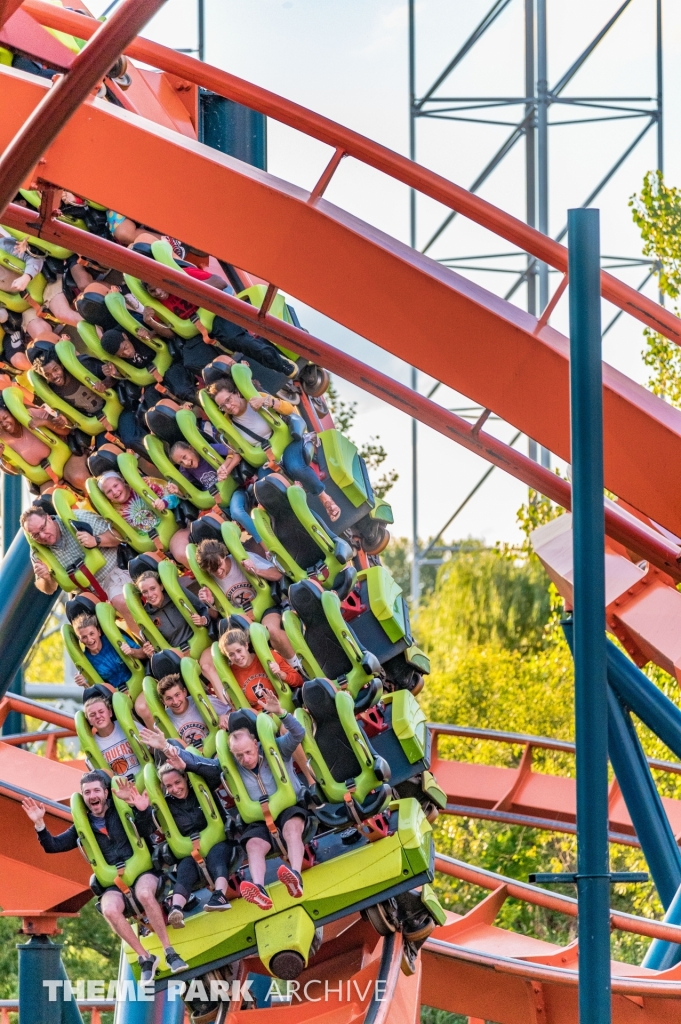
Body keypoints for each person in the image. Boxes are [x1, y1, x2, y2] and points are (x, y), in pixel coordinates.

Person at [21, 771, 188, 979]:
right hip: (113, 883)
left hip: (142, 872)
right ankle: (145, 957)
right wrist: (39, 824)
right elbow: (53, 846)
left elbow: (146, 831)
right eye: (87, 792)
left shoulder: (120, 811)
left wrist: (142, 810)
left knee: (145, 893)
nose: (92, 796)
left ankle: (169, 951)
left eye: (96, 791)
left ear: (106, 793)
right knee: (108, 909)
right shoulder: (83, 826)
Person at [168, 692, 308, 911]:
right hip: (258, 818)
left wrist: (281, 713)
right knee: (252, 845)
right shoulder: (232, 765)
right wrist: (170, 749)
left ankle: (295, 877)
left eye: (248, 753)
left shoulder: (276, 748)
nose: (246, 759)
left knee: (291, 829)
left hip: (288, 807)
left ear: (255, 743)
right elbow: (199, 763)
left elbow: (299, 733)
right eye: (239, 756)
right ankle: (259, 889)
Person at [207, 376, 340, 521]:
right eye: (222, 406)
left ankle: (324, 497)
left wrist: (267, 401)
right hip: (267, 460)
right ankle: (297, 519)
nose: (228, 406)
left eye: (228, 400)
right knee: (266, 488)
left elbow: (290, 409)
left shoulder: (256, 397)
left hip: (287, 445)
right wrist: (226, 467)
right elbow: (235, 452)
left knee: (295, 467)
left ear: (237, 393)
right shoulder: (227, 422)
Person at [20, 504, 138, 634]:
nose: (42, 536)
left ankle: (150, 645)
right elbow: (49, 589)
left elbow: (120, 534)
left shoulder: (77, 518)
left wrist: (96, 540)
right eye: (36, 535)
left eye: (43, 528)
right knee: (83, 630)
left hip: (115, 570)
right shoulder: (37, 552)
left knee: (120, 600)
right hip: (89, 592)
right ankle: (123, 650)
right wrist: (46, 578)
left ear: (49, 518)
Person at [156, 761, 234, 926]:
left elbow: (215, 772)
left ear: (185, 778)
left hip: (216, 841)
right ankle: (176, 909)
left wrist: (187, 763)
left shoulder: (202, 788)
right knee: (184, 870)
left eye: (177, 782)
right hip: (190, 849)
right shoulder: (168, 805)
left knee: (216, 858)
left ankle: (220, 895)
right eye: (169, 786)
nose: (175, 789)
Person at [194, 538, 294, 661]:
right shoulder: (209, 581)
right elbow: (215, 615)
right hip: (241, 622)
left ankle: (297, 665)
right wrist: (210, 603)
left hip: (266, 609)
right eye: (213, 570)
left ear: (224, 556)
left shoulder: (241, 559)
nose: (219, 572)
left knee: (272, 630)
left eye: (220, 565)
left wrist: (255, 571)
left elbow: (278, 574)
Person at [134, 570, 225, 698]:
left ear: (161, 586)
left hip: (201, 646)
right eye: (145, 592)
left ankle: (228, 707)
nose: (150, 594)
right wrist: (149, 652)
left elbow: (204, 610)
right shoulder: (146, 616)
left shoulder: (177, 596)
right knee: (188, 677)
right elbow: (154, 646)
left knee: (206, 667)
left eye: (153, 588)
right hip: (179, 658)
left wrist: (203, 620)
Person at [71, 613, 153, 728]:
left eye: (91, 634)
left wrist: (131, 652)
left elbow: (145, 654)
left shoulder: (113, 639)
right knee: (125, 722)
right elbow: (96, 689)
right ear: (80, 640)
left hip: (140, 685)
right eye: (84, 637)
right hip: (119, 697)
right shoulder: (87, 660)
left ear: (98, 632)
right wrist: (84, 683)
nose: (89, 640)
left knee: (142, 708)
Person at [96, 470, 190, 567]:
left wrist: (164, 503)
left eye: (115, 485)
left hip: (172, 532)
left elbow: (177, 497)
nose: (115, 492)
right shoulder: (113, 511)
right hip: (150, 547)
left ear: (122, 481)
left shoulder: (144, 484)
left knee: (182, 553)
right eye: (109, 491)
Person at [0, 394, 89, 491]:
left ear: (12, 414)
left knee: (79, 478)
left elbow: (65, 431)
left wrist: (45, 422)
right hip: (45, 478)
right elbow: (16, 471)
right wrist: (1, 459)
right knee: (48, 501)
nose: (4, 424)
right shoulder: (2, 440)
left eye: (5, 418)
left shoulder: (30, 414)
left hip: (66, 459)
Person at [218, 627, 302, 709]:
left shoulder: (269, 656)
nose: (237, 657)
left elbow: (299, 681)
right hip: (260, 717)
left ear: (246, 646)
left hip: (283, 707)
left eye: (239, 651)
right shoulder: (232, 673)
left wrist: (281, 674)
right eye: (231, 655)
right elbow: (238, 706)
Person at [155, 673, 230, 749]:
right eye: (169, 698)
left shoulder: (204, 701)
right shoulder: (162, 722)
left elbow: (231, 713)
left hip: (216, 748)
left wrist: (224, 717)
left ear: (184, 692)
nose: (175, 701)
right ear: (163, 702)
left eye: (177, 695)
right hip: (189, 758)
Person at [82, 694, 142, 780]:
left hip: (143, 779)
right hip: (119, 789)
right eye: (92, 715)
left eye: (101, 711)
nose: (98, 716)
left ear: (110, 712)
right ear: (89, 721)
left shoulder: (127, 724)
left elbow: (150, 750)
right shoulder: (92, 746)